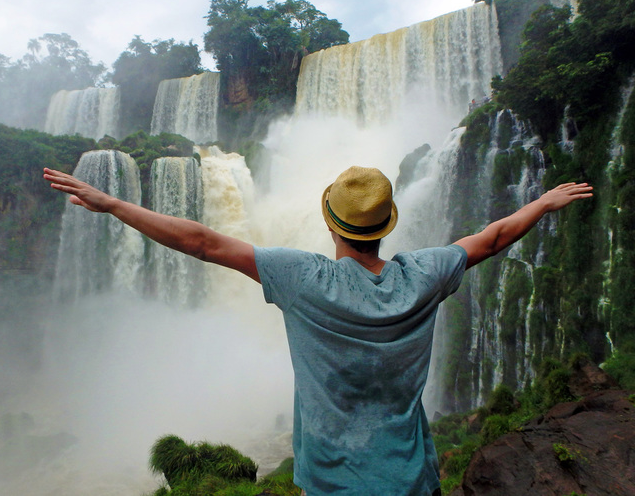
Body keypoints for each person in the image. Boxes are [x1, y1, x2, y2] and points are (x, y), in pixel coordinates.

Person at [43, 165, 593, 496]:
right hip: (411, 482)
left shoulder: (302, 278)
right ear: (386, 226)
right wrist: (543, 202)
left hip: (331, 483)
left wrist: (112, 204)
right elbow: (493, 239)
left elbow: (202, 242)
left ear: (330, 222)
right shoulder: (425, 275)